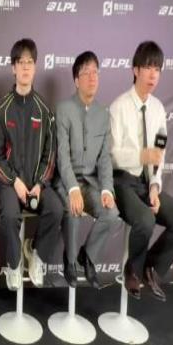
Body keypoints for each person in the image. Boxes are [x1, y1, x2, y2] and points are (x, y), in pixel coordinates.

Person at [110, 40, 173, 301]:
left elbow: (159, 155)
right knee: (145, 220)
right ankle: (132, 271)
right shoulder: (118, 107)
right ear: (135, 70)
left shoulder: (158, 109)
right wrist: (141, 155)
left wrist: (156, 186)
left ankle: (149, 267)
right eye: (148, 68)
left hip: (146, 183)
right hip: (121, 182)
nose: (153, 75)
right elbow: (112, 155)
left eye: (157, 69)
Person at [0, 38, 63, 290]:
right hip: (11, 183)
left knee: (56, 209)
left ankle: (36, 254)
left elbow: (49, 155)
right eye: (20, 62)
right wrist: (15, 182)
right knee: (10, 216)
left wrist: (40, 183)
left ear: (35, 67)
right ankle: (13, 263)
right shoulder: (3, 110)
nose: (25, 67)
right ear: (13, 68)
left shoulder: (43, 111)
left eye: (30, 62)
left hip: (37, 183)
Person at [54, 51, 119, 288]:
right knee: (72, 209)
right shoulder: (64, 109)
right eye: (86, 73)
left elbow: (105, 159)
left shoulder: (103, 114)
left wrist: (107, 190)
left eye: (95, 73)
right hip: (65, 180)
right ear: (76, 80)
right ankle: (70, 260)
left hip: (91, 183)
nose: (92, 78)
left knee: (112, 214)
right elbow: (62, 155)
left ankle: (87, 256)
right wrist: (72, 188)